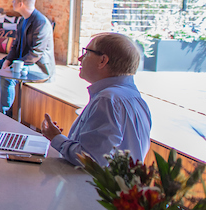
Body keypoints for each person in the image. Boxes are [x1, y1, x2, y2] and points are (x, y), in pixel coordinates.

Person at [39, 32, 151, 166]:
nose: (80, 58)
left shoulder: (108, 100)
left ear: (103, 60)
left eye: (86, 53)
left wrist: (56, 138)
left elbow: (91, 160)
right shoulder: (135, 98)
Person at [0, 0, 55, 115]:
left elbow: (36, 53)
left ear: (21, 4)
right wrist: (7, 61)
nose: (12, 2)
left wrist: (13, 66)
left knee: (7, 77)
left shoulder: (41, 23)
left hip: (38, 67)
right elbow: (16, 45)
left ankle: (4, 115)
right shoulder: (23, 20)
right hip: (19, 62)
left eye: (14, 0)